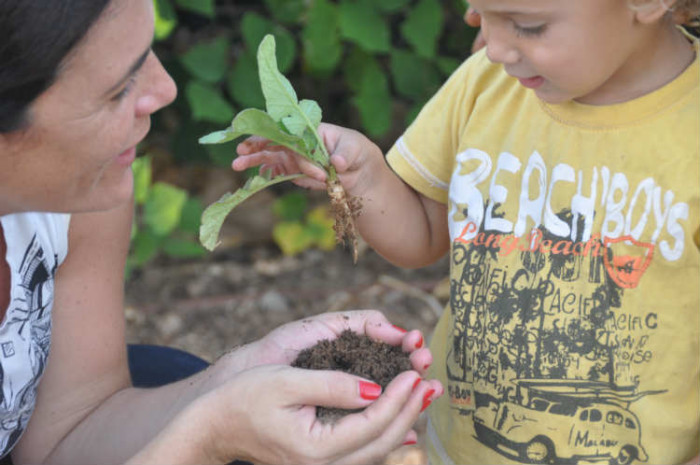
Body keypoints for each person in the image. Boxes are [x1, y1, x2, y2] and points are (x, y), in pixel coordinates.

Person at [233, 0, 700, 463]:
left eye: (526, 25)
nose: (494, 47)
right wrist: (362, 176)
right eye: (479, 14)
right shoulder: (487, 85)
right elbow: (421, 235)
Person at [0, 0, 445, 464]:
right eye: (117, 89)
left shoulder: (84, 189)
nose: (167, 89)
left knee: (185, 379)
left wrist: (234, 376)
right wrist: (205, 439)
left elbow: (69, 432)